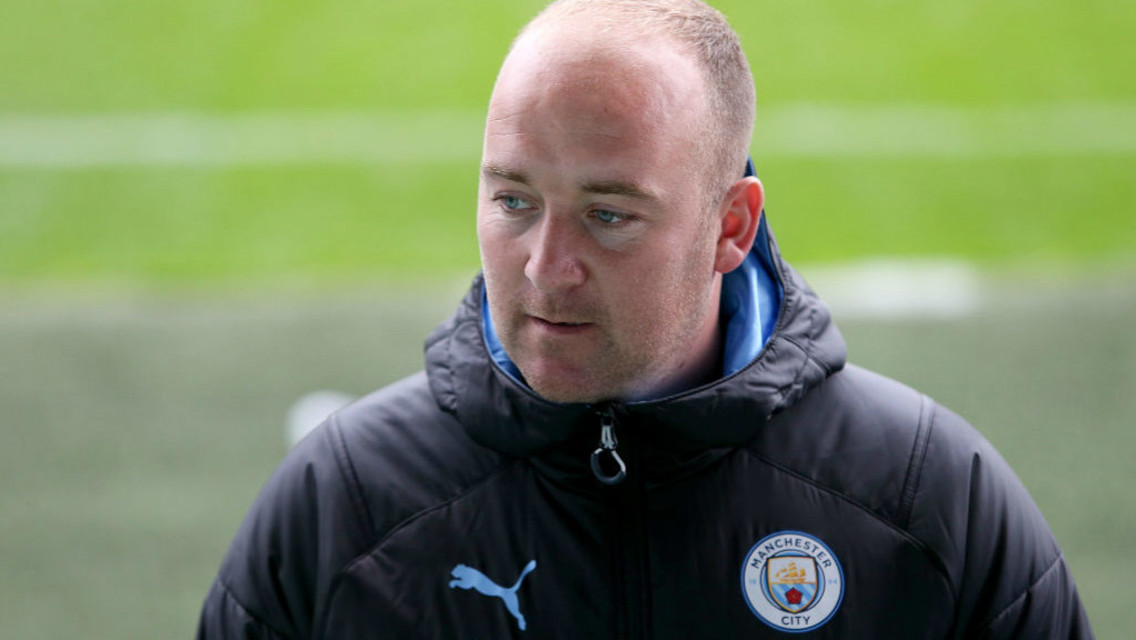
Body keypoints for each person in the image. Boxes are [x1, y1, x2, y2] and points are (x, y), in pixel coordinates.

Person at [197, 0, 1092, 637]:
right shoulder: (342, 509)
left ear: (730, 227)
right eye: (513, 202)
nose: (547, 268)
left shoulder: (925, 498)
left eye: (609, 214)